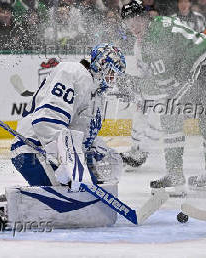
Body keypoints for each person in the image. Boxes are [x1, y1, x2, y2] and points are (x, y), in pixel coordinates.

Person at [120, 0, 206, 193]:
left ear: (145, 17)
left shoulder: (152, 41)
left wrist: (134, 86)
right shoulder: (162, 22)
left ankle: (175, 175)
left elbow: (165, 87)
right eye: (128, 23)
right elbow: (178, 64)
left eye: (136, 20)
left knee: (170, 114)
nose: (133, 27)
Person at [11, 44, 126, 187]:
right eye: (110, 71)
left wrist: (98, 153)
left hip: (53, 152)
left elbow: (82, 134)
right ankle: (20, 205)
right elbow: (46, 121)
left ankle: (26, 201)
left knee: (84, 194)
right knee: (70, 202)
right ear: (99, 64)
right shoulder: (74, 72)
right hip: (33, 149)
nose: (112, 78)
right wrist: (68, 162)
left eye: (115, 75)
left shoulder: (96, 94)